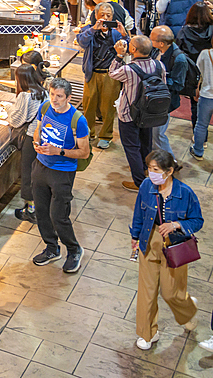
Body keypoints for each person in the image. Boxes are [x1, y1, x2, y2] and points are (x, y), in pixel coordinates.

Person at [130, 150, 203, 351]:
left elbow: (197, 221)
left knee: (171, 292)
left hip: (174, 245)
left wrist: (176, 224)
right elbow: (138, 212)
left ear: (169, 171)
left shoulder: (184, 193)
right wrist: (135, 237)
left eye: (155, 170)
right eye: (149, 169)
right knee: (147, 292)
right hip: (149, 239)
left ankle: (188, 309)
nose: (151, 173)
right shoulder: (146, 186)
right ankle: (148, 333)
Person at [31, 77, 90, 273]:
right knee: (41, 211)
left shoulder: (78, 121)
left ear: (69, 97)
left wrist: (59, 151)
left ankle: (74, 250)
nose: (55, 100)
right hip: (41, 166)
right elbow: (38, 129)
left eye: (59, 96)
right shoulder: (45, 107)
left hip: (62, 172)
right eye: (52, 94)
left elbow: (84, 152)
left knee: (58, 215)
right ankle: (51, 247)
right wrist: (36, 141)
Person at [109, 35, 167, 191]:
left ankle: (139, 182)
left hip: (129, 114)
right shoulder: (159, 65)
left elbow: (112, 73)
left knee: (131, 147)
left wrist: (119, 55)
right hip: (149, 113)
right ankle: (145, 170)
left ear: (133, 49)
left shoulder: (129, 69)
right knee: (145, 144)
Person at [2, 65, 49, 224]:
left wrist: (7, 108)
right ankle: (38, 205)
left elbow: (16, 120)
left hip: (31, 137)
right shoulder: (43, 91)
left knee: (28, 173)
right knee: (37, 172)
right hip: (44, 136)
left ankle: (30, 211)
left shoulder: (25, 96)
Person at [77, 3, 126, 150]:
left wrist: (124, 35)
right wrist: (93, 29)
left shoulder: (116, 33)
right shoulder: (88, 30)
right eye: (102, 15)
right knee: (89, 105)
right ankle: (89, 133)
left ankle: (105, 136)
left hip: (110, 75)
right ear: (96, 16)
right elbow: (81, 41)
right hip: (92, 73)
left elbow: (128, 48)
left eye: (108, 16)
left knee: (108, 107)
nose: (105, 18)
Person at [149, 26, 189, 156]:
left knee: (158, 134)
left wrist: (159, 79)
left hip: (165, 102)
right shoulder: (157, 51)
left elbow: (178, 85)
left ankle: (170, 161)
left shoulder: (179, 59)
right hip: (153, 98)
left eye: (152, 39)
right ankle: (155, 157)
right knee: (152, 132)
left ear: (161, 43)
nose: (149, 41)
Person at [176, 2, 213, 134]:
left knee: (195, 104)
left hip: (193, 72)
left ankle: (198, 134)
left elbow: (178, 53)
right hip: (210, 69)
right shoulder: (211, 29)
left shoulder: (184, 32)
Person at [190, 44, 213, 161]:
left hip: (207, 95)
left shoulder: (205, 53)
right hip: (206, 95)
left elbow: (197, 73)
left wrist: (196, 89)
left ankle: (198, 151)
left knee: (201, 124)